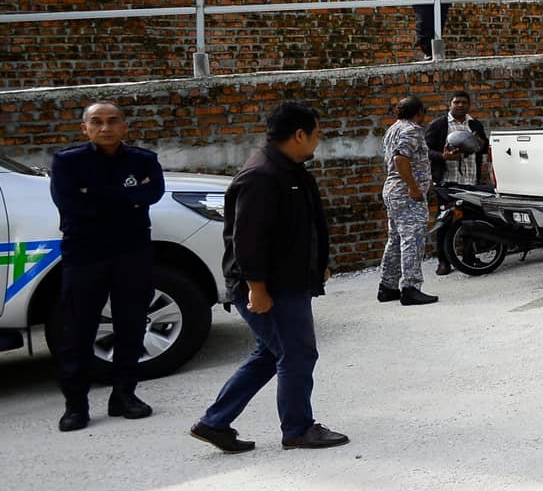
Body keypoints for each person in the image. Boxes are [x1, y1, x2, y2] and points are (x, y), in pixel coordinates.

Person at [190, 102, 349, 455]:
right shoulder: (261, 176)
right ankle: (298, 429)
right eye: (317, 134)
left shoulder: (289, 169)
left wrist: (317, 264)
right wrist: (256, 290)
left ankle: (214, 422)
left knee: (270, 353)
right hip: (270, 289)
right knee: (297, 354)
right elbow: (247, 240)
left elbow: (300, 227)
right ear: (299, 134)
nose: (318, 141)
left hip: (288, 282)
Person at [46, 101, 163, 431]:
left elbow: (152, 194)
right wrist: (128, 196)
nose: (105, 128)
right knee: (78, 330)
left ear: (125, 126)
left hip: (133, 252)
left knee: (131, 325)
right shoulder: (67, 162)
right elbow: (71, 203)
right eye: (96, 122)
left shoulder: (144, 160)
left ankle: (124, 395)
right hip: (85, 255)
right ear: (85, 128)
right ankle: (76, 405)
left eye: (113, 121)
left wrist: (94, 194)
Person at [377, 96, 437, 306]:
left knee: (395, 239)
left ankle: (387, 287)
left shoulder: (393, 128)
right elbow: (401, 158)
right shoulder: (412, 130)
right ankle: (410, 288)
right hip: (406, 193)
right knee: (412, 239)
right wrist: (413, 187)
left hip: (393, 191)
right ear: (419, 112)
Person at [427, 90, 490, 275]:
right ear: (450, 104)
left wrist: (480, 143)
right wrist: (443, 156)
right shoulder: (439, 125)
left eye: (464, 102)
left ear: (469, 104)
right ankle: (443, 262)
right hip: (448, 181)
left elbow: (484, 148)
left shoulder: (474, 124)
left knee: (473, 221)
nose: (460, 105)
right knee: (445, 222)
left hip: (470, 180)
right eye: (457, 102)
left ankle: (469, 257)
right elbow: (426, 151)